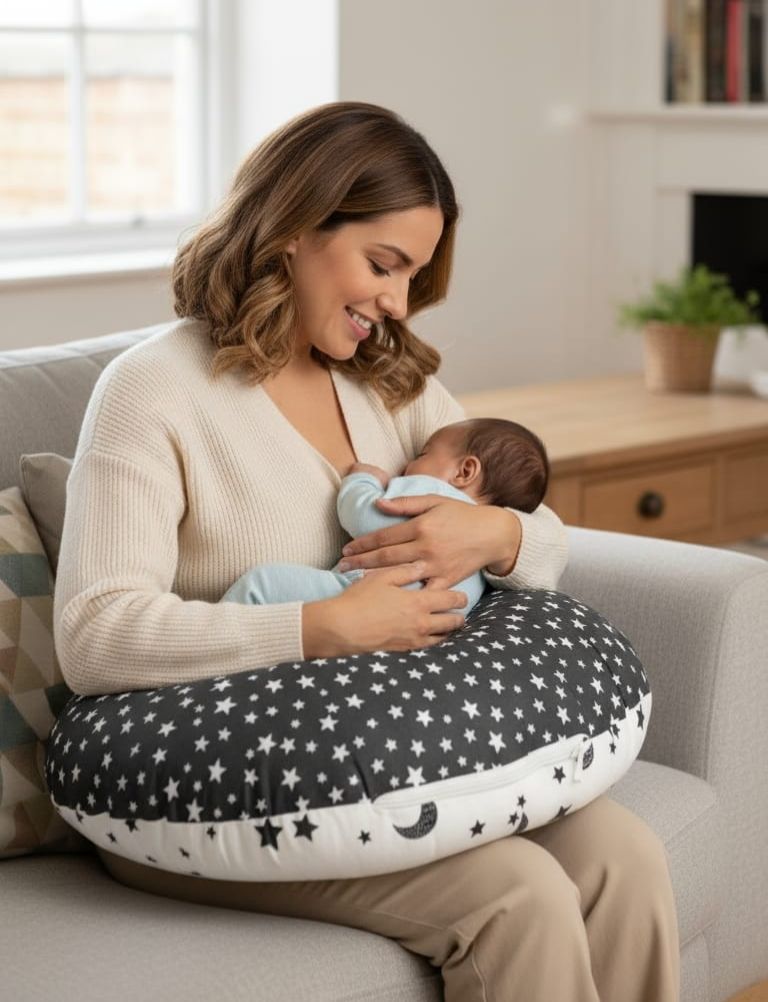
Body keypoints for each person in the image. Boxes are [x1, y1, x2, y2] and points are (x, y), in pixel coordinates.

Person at [53, 101, 680, 1001]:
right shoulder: (153, 392)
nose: (396, 302)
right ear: (295, 229)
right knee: (521, 897)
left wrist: (496, 533)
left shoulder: (390, 383)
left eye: (412, 275)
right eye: (383, 265)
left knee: (624, 856)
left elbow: (541, 537)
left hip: (391, 760)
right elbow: (94, 636)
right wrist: (320, 626)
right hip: (215, 791)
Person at [220, 416, 550, 618]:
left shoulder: (429, 493)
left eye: (423, 454)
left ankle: (222, 643)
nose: (407, 464)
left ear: (465, 470)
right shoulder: (480, 555)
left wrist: (361, 480)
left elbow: (363, 516)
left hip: (360, 597)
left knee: (262, 585)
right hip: (427, 631)